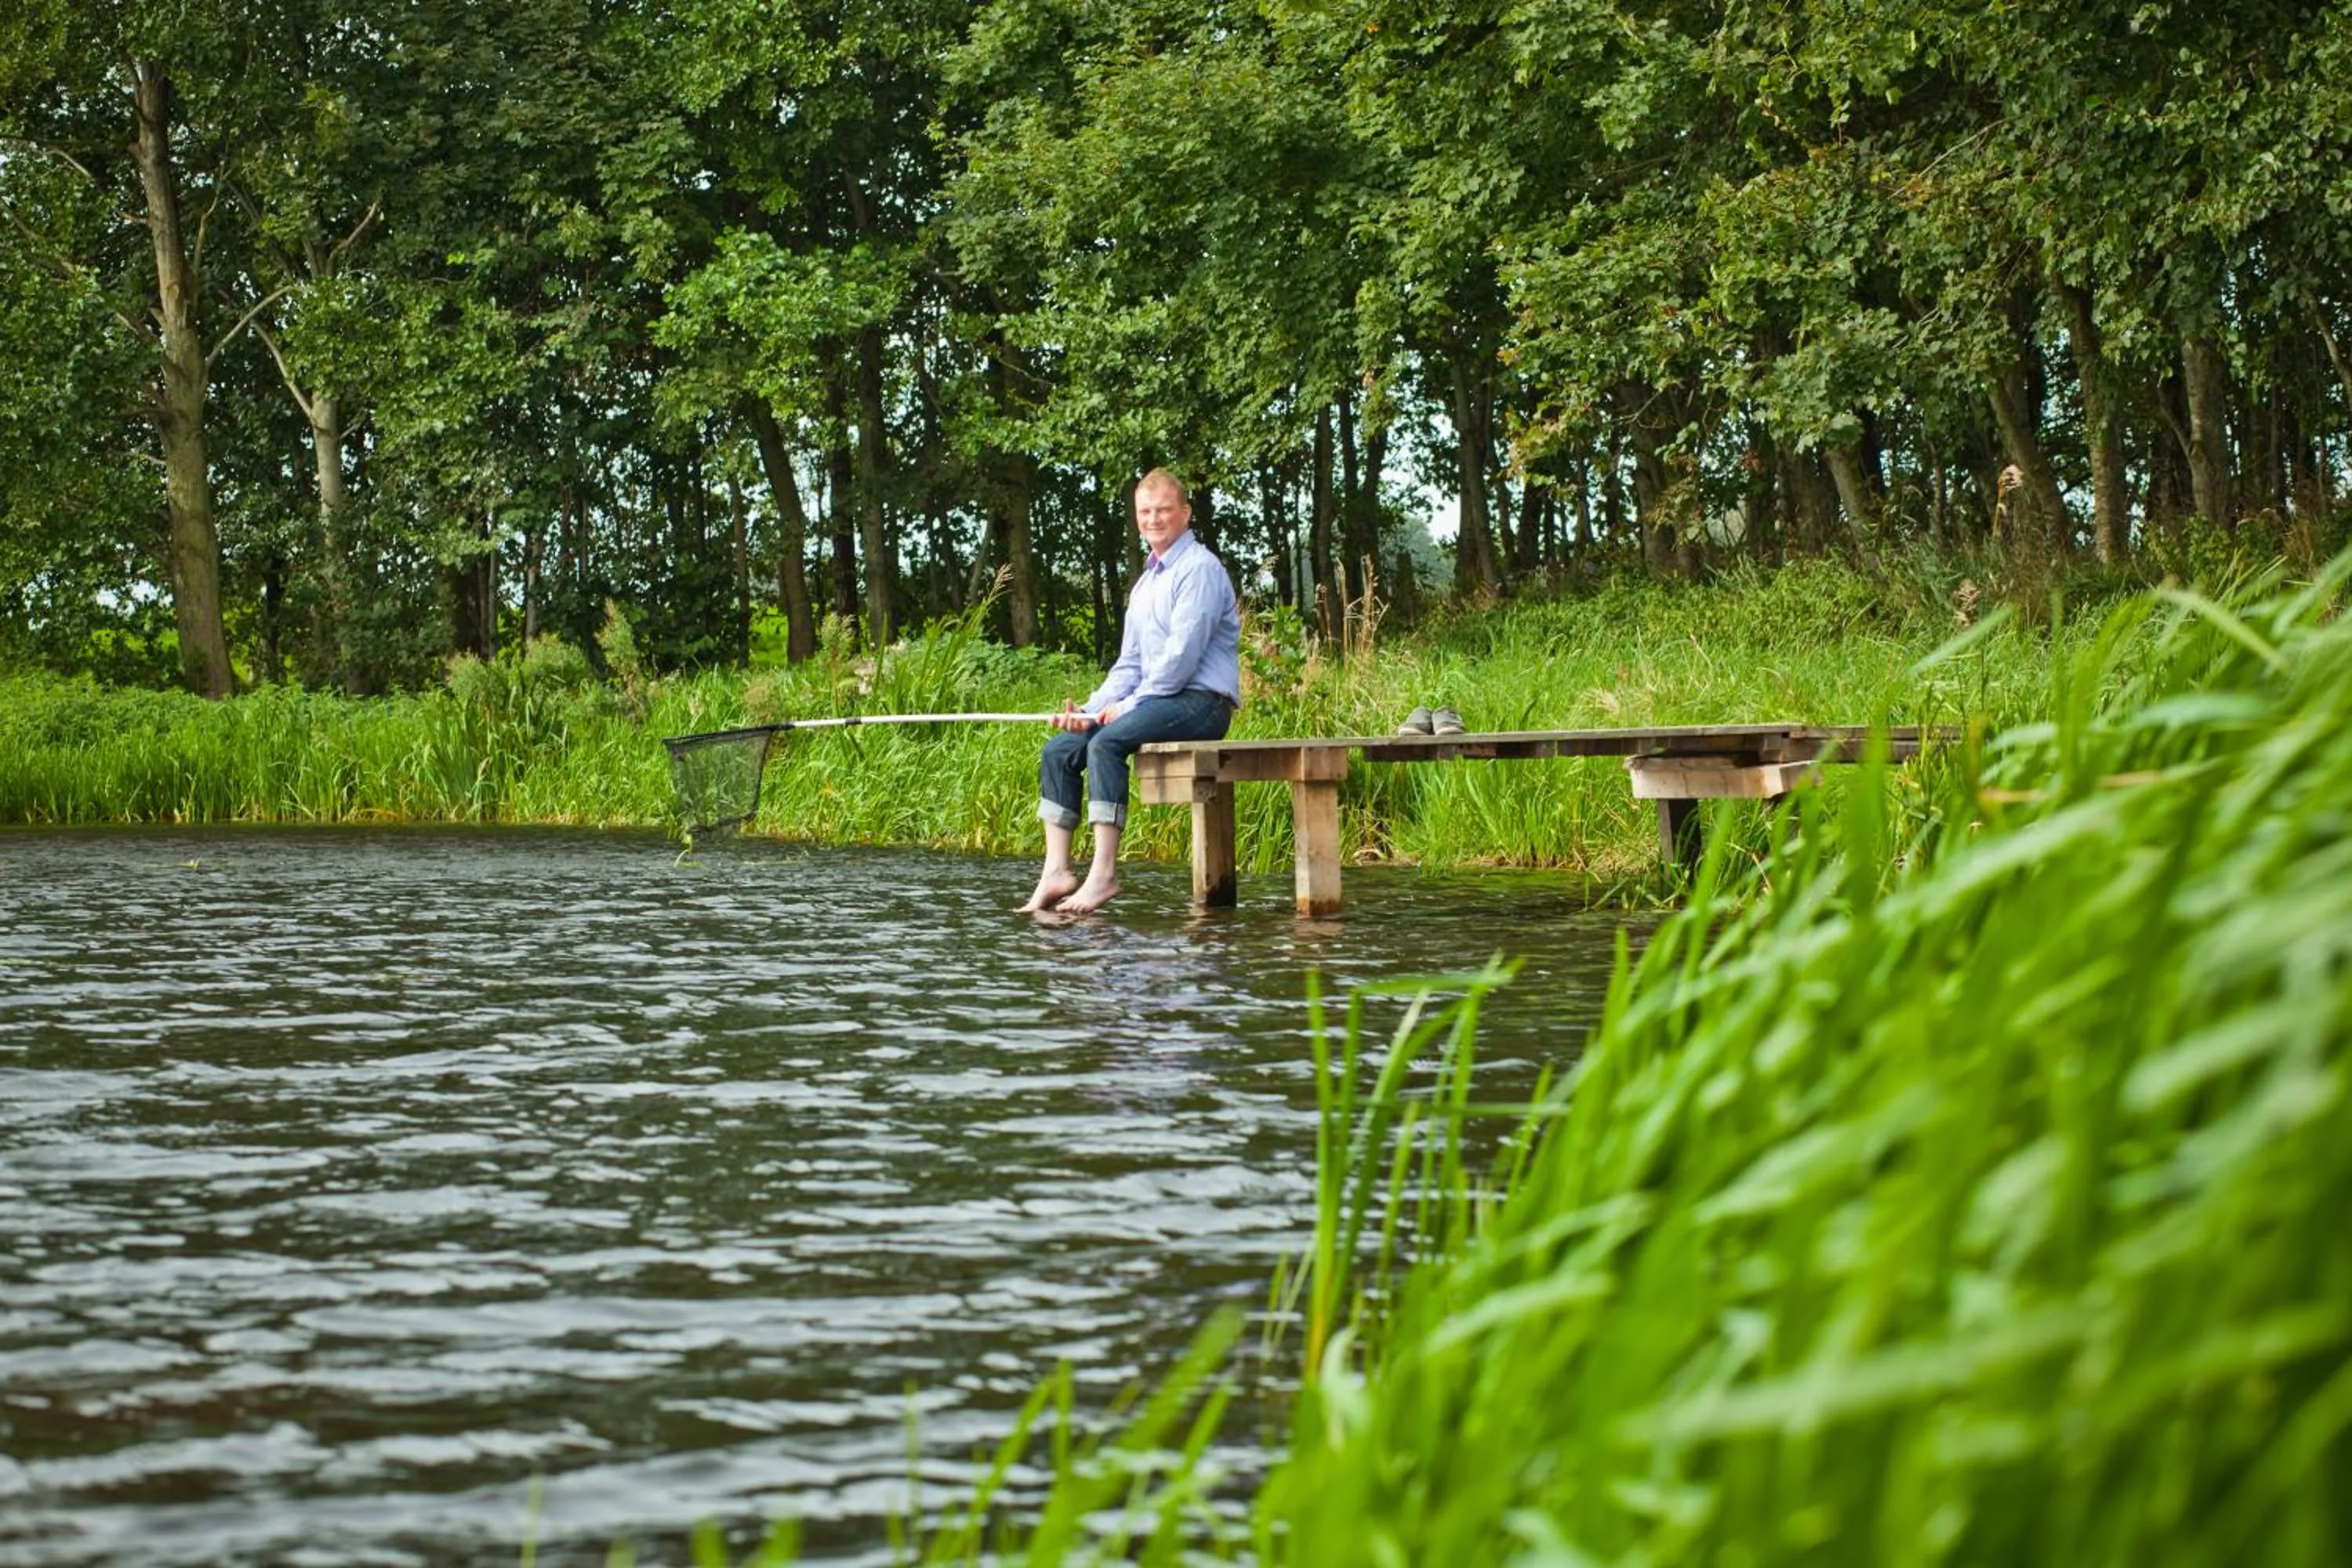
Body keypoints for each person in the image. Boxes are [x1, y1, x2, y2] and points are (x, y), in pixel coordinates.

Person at [1020, 469, 1241, 913]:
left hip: (1201, 703)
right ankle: (1057, 871)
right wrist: (1088, 709)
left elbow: (1179, 662)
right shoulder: (1146, 583)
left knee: (1107, 742)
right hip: (1155, 700)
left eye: (1163, 509)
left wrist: (1125, 708)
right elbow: (1130, 667)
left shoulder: (1199, 569)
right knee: (1060, 749)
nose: (1154, 519)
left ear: (1185, 513)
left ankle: (1103, 875)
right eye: (1145, 511)